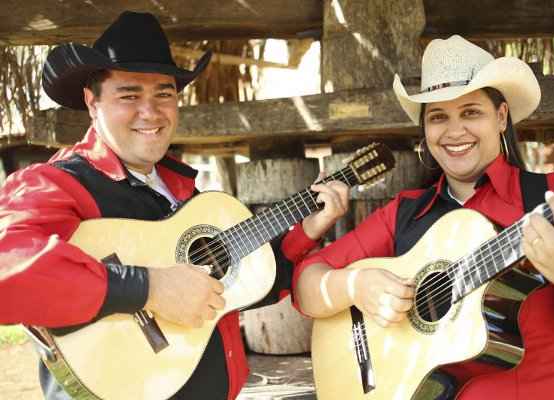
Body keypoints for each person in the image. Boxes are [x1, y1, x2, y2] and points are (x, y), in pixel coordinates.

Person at [0, 11, 349, 400]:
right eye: (129, 94)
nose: (150, 112)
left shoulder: (183, 193)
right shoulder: (54, 183)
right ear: (92, 102)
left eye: (163, 94)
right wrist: (147, 288)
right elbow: (7, 272)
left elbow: (235, 289)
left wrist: (307, 229)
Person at [293, 35, 554, 399]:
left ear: (501, 117)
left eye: (471, 112)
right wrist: (355, 285)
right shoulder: (406, 213)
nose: (454, 132)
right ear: (425, 129)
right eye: (439, 117)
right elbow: (307, 282)